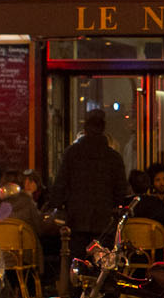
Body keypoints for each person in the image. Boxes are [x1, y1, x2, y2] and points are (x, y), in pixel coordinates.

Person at [47, 109, 131, 257]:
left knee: (78, 263)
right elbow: (121, 190)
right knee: (101, 265)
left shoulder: (72, 153)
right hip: (104, 221)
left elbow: (60, 184)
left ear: (85, 128)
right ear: (103, 128)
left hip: (76, 219)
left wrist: (56, 206)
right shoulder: (113, 158)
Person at [0, 169, 48, 239]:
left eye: (30, 181)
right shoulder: (28, 202)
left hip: (1, 247)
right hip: (26, 247)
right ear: (21, 184)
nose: (27, 184)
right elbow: (39, 229)